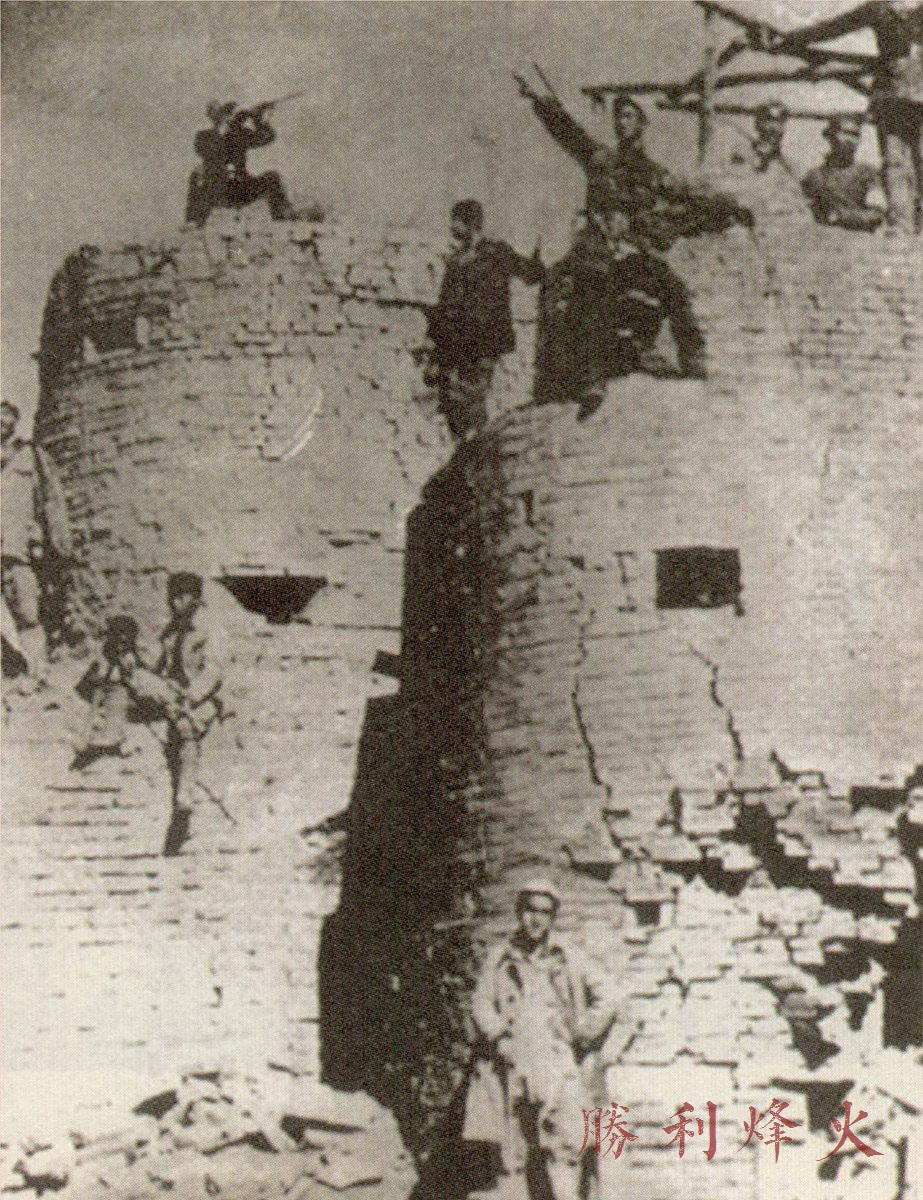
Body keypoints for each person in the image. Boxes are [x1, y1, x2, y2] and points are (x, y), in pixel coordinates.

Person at [463, 879, 615, 1200]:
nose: (536, 919)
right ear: (519, 912)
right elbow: (480, 1003)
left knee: (565, 1144)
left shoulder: (567, 956)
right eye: (530, 910)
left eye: (544, 912)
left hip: (556, 1062)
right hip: (512, 1064)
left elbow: (609, 995)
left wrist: (581, 1032)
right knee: (512, 1150)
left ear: (553, 917)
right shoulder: (501, 957)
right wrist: (498, 1035)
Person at [517, 80, 753, 252]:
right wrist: (540, 102)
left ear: (642, 123)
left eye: (629, 116)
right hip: (597, 247)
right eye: (618, 117)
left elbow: (688, 201)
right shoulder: (601, 159)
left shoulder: (655, 173)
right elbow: (569, 132)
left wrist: (729, 208)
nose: (621, 123)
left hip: (636, 251)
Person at [765, 2, 923, 232]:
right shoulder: (881, 9)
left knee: (898, 161)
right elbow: (831, 28)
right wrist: (788, 39)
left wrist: (787, 40)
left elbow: (831, 28)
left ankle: (905, 224)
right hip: (894, 93)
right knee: (895, 161)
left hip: (895, 91)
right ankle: (903, 224)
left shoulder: (883, 9)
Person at [536, 203, 708, 413]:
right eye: (617, 217)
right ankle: (593, 381)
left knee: (671, 285)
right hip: (589, 322)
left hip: (617, 312)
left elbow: (655, 270)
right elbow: (587, 277)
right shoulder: (587, 244)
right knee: (593, 297)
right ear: (599, 218)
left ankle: (692, 355)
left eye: (625, 217)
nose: (623, 223)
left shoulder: (630, 244)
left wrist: (642, 281)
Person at [425, 199, 545, 440]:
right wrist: (434, 344)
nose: (451, 227)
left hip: (484, 341)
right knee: (454, 400)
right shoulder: (457, 260)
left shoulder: (497, 252)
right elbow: (445, 306)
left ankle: (472, 446)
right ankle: (467, 443)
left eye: (456, 221)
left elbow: (531, 274)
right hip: (458, 342)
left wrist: (538, 255)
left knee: (472, 397)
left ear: (469, 224)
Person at [155, 572, 225, 856]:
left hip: (202, 698)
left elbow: (213, 672)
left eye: (180, 597)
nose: (174, 603)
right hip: (175, 696)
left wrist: (191, 696)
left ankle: (184, 795)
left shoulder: (208, 632)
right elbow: (160, 667)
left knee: (186, 727)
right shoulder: (169, 633)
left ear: (195, 600)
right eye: (171, 598)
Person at [1, 402, 73, 673]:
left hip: (17, 548)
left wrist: (53, 541)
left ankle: (35, 671)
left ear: (14, 425)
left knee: (27, 613)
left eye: (6, 421)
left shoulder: (30, 457)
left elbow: (49, 500)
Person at [186, 99, 294, 226]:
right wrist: (227, 126)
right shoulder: (204, 136)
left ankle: (282, 217)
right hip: (217, 190)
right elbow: (208, 150)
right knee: (197, 175)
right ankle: (194, 221)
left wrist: (258, 119)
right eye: (227, 115)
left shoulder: (238, 134)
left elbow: (267, 137)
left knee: (272, 178)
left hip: (239, 188)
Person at [802, 115, 887, 230]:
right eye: (845, 133)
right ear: (831, 135)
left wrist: (843, 216)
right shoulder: (815, 176)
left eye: (855, 135)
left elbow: (877, 213)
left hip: (860, 235)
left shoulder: (867, 174)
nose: (850, 140)